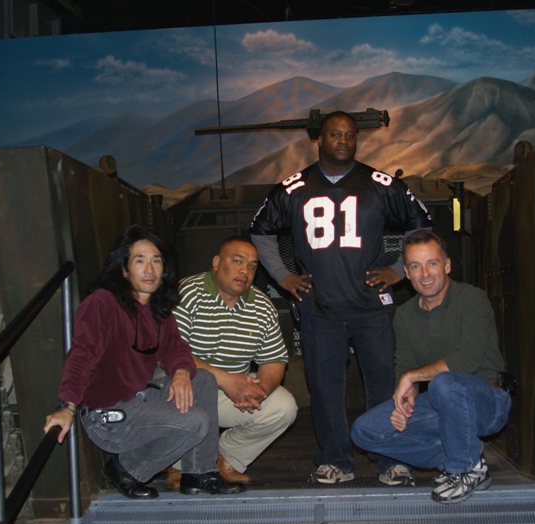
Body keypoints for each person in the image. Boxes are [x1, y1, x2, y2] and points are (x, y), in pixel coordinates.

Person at [249, 110, 433, 485]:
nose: (344, 141)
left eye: (350, 135)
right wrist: (283, 276)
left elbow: (422, 222)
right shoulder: (294, 187)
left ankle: (390, 458)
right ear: (320, 139)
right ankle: (336, 459)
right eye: (335, 134)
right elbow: (260, 231)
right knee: (325, 386)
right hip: (320, 306)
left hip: (371, 304)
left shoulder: (378, 183)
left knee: (383, 382)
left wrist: (397, 270)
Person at [43, 225, 243, 499]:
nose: (150, 269)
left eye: (156, 260)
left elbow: (175, 347)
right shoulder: (102, 303)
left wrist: (182, 372)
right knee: (196, 421)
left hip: (139, 401)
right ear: (124, 269)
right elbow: (82, 355)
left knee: (203, 379)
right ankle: (127, 469)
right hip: (108, 416)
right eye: (140, 260)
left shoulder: (158, 308)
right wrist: (66, 405)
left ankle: (199, 473)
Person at [350, 230, 512, 504]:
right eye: (415, 266)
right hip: (442, 405)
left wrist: (412, 377)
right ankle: (467, 460)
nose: (425, 274)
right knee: (364, 431)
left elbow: (468, 359)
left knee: (444, 383)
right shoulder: (404, 316)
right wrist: (406, 399)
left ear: (447, 266)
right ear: (407, 274)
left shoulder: (472, 300)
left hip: (488, 402)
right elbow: (407, 365)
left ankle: (462, 470)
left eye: (432, 263)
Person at [166, 236, 297, 486]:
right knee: (177, 387)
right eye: (237, 261)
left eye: (252, 266)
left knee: (283, 407)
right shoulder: (185, 293)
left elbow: (274, 360)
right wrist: (227, 381)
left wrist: (260, 390)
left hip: (230, 395)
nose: (244, 271)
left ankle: (224, 458)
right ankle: (180, 463)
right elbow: (172, 352)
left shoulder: (262, 306)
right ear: (216, 262)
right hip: (184, 386)